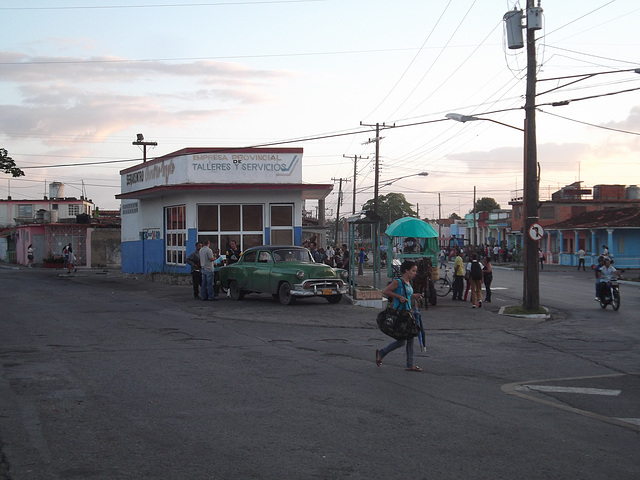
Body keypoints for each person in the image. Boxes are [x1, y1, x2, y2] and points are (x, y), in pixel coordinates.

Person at [375, 260, 423, 372]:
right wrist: (398, 297)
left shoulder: (408, 283)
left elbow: (407, 295)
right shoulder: (398, 282)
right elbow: (386, 291)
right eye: (413, 271)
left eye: (415, 271)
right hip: (400, 315)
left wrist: (414, 296)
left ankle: (384, 354)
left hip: (407, 313)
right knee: (404, 341)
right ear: (406, 271)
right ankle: (384, 354)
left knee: (407, 340)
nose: (415, 273)